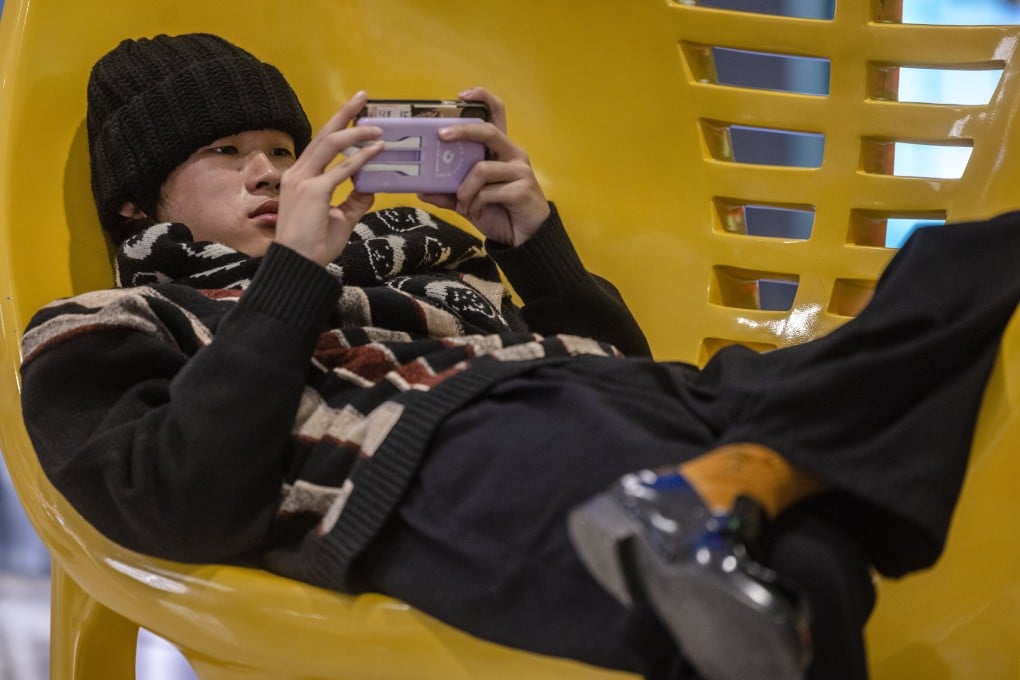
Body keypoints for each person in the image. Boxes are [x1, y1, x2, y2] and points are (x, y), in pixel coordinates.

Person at [17, 33, 1020, 680]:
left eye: (282, 149)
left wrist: (531, 242)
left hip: (623, 403)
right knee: (808, 566)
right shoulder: (110, 321)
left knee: (967, 268)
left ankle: (725, 479)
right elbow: (175, 496)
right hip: (429, 454)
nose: (269, 173)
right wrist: (294, 275)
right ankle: (741, 478)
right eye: (225, 154)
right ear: (138, 205)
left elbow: (606, 364)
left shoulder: (419, 246)